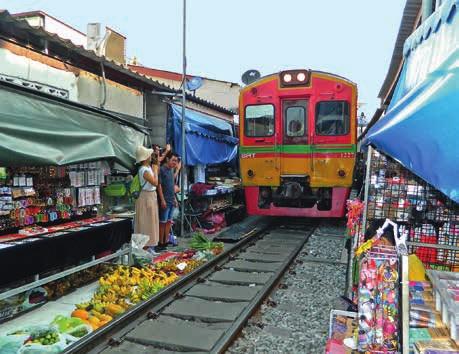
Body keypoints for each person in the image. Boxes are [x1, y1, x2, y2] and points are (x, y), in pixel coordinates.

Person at [134, 145, 160, 254]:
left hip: (151, 196)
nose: (151, 156)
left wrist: (154, 168)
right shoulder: (144, 170)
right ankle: (143, 249)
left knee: (151, 222)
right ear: (145, 158)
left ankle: (149, 247)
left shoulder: (148, 168)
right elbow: (155, 182)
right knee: (144, 223)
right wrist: (155, 170)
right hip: (146, 197)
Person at [158, 153, 179, 249]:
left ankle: (166, 240)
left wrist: (174, 198)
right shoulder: (162, 170)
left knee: (169, 222)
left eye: (176, 161)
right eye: (173, 160)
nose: (175, 162)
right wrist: (162, 200)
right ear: (167, 159)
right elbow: (159, 187)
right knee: (162, 222)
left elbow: (172, 185)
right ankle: (160, 242)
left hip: (171, 200)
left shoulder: (171, 170)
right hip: (165, 200)